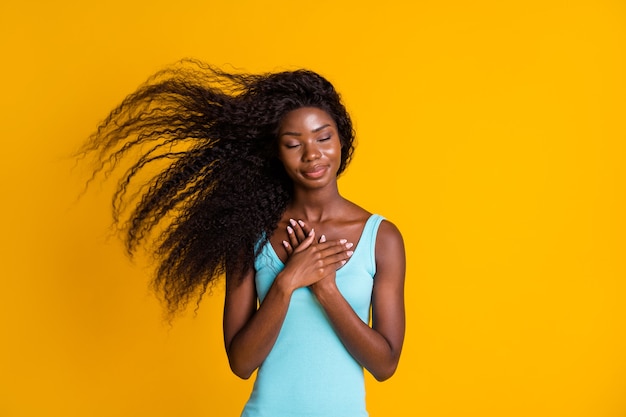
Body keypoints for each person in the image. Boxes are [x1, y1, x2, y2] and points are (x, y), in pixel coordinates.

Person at [80, 59, 406, 417]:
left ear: (342, 139)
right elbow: (241, 362)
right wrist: (287, 282)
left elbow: (384, 365)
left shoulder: (381, 238)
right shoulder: (250, 233)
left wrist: (326, 289)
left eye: (323, 137)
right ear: (276, 153)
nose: (313, 153)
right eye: (293, 143)